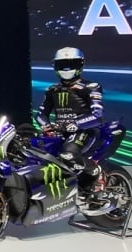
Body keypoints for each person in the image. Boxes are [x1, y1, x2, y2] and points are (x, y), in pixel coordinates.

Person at [35, 47, 106, 197]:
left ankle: (95, 171)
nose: (66, 69)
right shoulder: (52, 90)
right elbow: (41, 114)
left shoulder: (91, 87)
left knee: (68, 154)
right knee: (34, 153)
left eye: (71, 64)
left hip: (84, 131)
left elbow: (97, 115)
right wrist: (46, 126)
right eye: (62, 64)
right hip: (59, 132)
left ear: (80, 65)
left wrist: (76, 124)